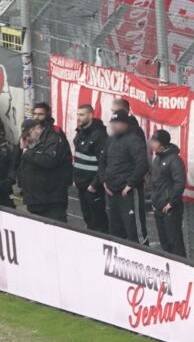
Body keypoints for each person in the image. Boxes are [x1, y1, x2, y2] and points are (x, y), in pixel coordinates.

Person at [102, 110, 149, 242]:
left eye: (117, 123)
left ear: (125, 124)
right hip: (112, 191)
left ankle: (142, 256)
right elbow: (102, 161)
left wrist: (130, 185)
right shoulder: (110, 140)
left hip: (128, 192)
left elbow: (142, 164)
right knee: (116, 230)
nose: (114, 126)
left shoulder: (134, 141)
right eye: (113, 123)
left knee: (135, 230)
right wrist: (104, 181)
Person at [16, 117, 71, 221]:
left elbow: (48, 161)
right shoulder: (31, 143)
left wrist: (26, 152)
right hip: (34, 199)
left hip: (51, 199)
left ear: (37, 129)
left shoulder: (54, 139)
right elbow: (20, 166)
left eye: (28, 135)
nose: (27, 138)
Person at [72, 103, 109, 232]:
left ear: (91, 115)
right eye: (77, 114)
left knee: (98, 219)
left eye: (82, 115)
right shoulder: (81, 132)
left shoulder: (99, 135)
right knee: (87, 217)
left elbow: (103, 163)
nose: (78, 117)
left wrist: (94, 184)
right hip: (81, 184)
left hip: (92, 186)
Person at [149, 129, 187, 256]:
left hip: (170, 208)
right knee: (164, 242)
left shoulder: (175, 160)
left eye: (154, 141)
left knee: (175, 242)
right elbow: (155, 184)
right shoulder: (157, 159)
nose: (151, 144)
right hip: (158, 207)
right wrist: (154, 201)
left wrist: (171, 202)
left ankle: (181, 268)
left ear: (162, 143)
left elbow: (179, 183)